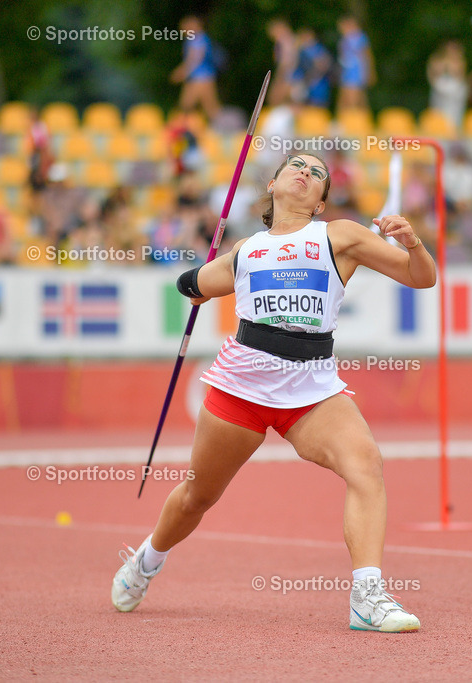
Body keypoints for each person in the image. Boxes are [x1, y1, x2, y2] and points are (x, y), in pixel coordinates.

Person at [112, 154, 436, 633]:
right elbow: (192, 284)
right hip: (242, 384)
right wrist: (196, 278)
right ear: (274, 182)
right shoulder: (246, 250)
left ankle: (368, 598)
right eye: (297, 166)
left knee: (365, 463)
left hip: (312, 388)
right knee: (198, 497)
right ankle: (147, 560)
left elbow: (421, 276)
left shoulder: (340, 236)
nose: (306, 172)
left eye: (318, 173)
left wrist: (413, 243)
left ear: (322, 200)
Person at [170, 16, 221, 121]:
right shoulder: (199, 38)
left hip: (201, 78)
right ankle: (220, 129)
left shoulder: (198, 39)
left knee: (187, 105)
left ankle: (181, 129)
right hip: (203, 77)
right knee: (209, 107)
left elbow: (195, 58)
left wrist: (182, 72)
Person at [336, 16, 375, 111]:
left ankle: (355, 119)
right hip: (346, 71)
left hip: (356, 71)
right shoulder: (344, 39)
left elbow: (367, 56)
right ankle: (345, 119)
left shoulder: (359, 38)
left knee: (354, 97)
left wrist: (370, 72)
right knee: (346, 96)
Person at [428, 41, 467, 129]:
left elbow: (459, 75)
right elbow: (433, 74)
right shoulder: (436, 59)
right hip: (440, 91)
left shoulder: (460, 61)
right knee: (437, 114)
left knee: (455, 116)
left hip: (455, 94)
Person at [293, 29, 332, 108]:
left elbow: (323, 64)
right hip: (304, 80)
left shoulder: (317, 49)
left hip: (316, 81)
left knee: (317, 103)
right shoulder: (301, 50)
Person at [266, 19, 298, 107]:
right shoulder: (291, 40)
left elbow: (286, 62)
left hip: (290, 75)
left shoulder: (285, 41)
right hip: (292, 75)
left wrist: (279, 77)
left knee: (275, 98)